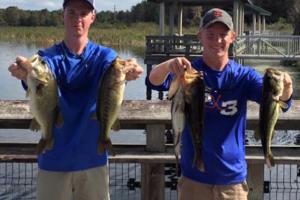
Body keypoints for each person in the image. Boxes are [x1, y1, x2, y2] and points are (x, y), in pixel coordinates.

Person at [146, 8, 293, 200]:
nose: (217, 41)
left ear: (233, 37)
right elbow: (153, 81)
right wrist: (168, 64)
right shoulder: (189, 73)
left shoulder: (244, 76)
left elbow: (278, 102)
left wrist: (287, 87)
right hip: (193, 179)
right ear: (200, 36)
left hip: (232, 181)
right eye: (211, 35)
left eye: (223, 35)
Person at [8, 0, 143, 200]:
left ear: (92, 17)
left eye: (83, 13)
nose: (77, 19)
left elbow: (118, 68)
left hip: (93, 161)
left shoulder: (104, 56)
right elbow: (38, 78)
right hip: (54, 161)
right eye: (71, 12)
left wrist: (132, 68)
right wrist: (24, 74)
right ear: (62, 15)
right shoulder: (47, 58)